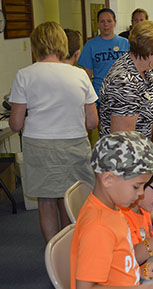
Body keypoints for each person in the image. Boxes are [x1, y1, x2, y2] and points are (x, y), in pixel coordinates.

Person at [8, 22, 98, 243]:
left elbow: (16, 124)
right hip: (74, 143)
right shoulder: (79, 76)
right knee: (69, 199)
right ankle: (68, 249)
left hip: (39, 145)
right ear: (62, 44)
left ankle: (52, 251)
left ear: (35, 45)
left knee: (46, 201)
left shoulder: (24, 75)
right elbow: (92, 122)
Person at [70, 131, 153, 289]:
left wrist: (137, 271)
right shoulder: (98, 227)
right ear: (108, 180)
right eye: (136, 186)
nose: (141, 193)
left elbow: (116, 262)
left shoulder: (114, 208)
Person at [99, 20, 153, 138]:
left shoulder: (145, 71)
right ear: (149, 52)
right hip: (130, 154)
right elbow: (123, 139)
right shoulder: (123, 82)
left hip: (147, 150)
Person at [77, 8, 129, 101]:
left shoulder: (125, 43)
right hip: (100, 96)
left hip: (123, 94)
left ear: (115, 23)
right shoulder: (90, 45)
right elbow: (86, 76)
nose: (106, 25)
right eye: (102, 21)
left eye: (109, 21)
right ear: (97, 24)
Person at [118, 8, 153, 81]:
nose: (138, 23)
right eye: (136, 20)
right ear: (131, 22)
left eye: (141, 20)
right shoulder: (122, 38)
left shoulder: (151, 38)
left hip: (146, 78)